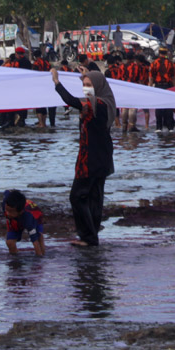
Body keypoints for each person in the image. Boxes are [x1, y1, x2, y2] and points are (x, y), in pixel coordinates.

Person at [52, 66, 115, 246]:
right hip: (102, 156)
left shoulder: (98, 104)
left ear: (97, 86)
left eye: (88, 84)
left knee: (77, 196)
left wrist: (57, 82)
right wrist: (86, 74)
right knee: (94, 197)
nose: (85, 87)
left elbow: (71, 100)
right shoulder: (107, 101)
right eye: (84, 84)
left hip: (91, 158)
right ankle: (92, 236)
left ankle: (88, 236)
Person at [3, 189, 45, 256]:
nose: (7, 213)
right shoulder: (7, 202)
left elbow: (34, 240)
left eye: (10, 212)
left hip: (35, 217)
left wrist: (39, 258)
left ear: (20, 211)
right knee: (9, 243)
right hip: (14, 220)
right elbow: (6, 192)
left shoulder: (28, 219)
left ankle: (43, 255)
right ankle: (15, 260)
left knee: (38, 238)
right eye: (6, 210)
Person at [150, 46, 175, 131]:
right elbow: (173, 77)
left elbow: (151, 77)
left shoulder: (154, 63)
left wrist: (150, 87)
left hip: (158, 86)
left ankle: (159, 127)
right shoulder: (170, 63)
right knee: (169, 106)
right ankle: (170, 127)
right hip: (168, 86)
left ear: (159, 52)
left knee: (159, 107)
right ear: (166, 53)